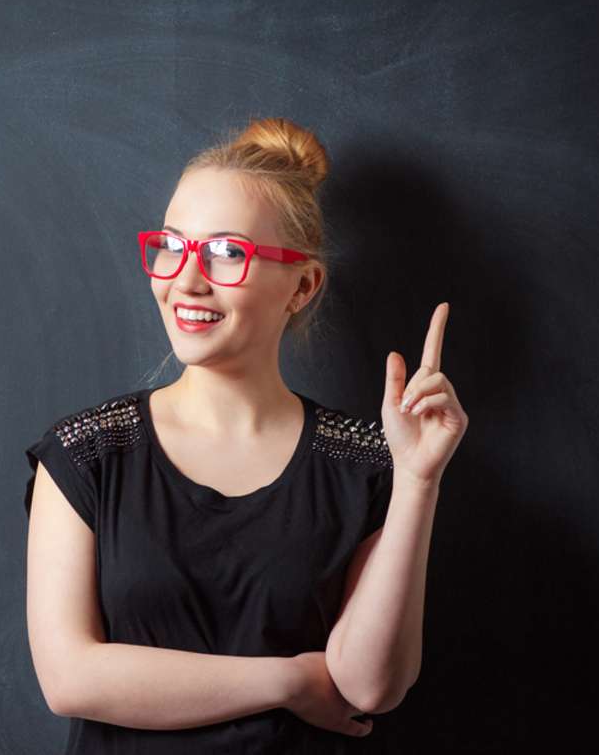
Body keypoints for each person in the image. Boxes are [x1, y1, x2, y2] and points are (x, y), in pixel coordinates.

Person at [23, 117, 468, 753]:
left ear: (303, 285)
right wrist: (287, 681)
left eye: (228, 252)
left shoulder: (366, 462)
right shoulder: (86, 452)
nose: (186, 279)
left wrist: (419, 479)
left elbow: (371, 687)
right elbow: (70, 678)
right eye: (172, 246)